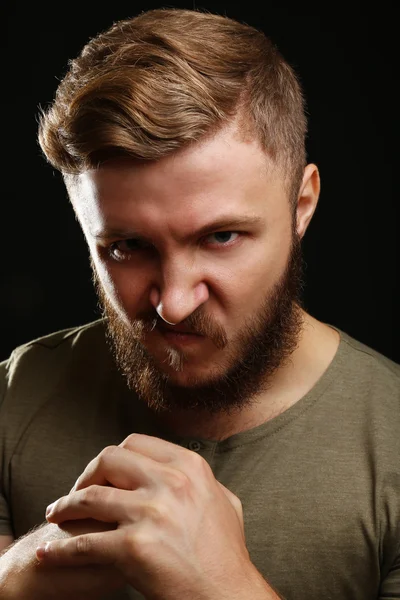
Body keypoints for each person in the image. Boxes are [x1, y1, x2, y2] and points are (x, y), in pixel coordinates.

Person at [0, 7, 398, 600]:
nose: (175, 304)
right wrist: (21, 571)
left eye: (220, 237)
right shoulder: (15, 394)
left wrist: (221, 586)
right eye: (127, 247)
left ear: (302, 207)